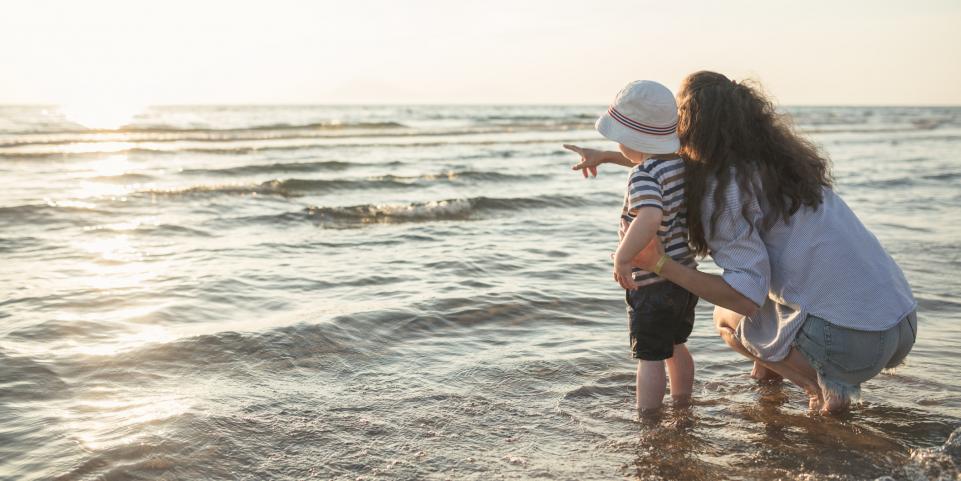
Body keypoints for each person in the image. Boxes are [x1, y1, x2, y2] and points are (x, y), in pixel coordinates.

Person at [565, 71, 917, 414]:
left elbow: (745, 298)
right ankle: (771, 383)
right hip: (899, 324)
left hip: (854, 343)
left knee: (727, 316)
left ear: (692, 127)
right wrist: (607, 155)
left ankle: (821, 391)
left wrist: (661, 264)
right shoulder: (785, 167)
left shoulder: (726, 190)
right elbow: (666, 166)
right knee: (768, 288)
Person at [565, 80, 699, 411]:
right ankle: (682, 403)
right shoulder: (680, 164)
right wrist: (606, 156)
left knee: (650, 357)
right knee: (676, 346)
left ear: (631, 139)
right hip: (684, 278)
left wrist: (623, 258)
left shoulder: (642, 176)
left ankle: (648, 418)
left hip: (652, 283)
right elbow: (648, 161)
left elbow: (650, 216)